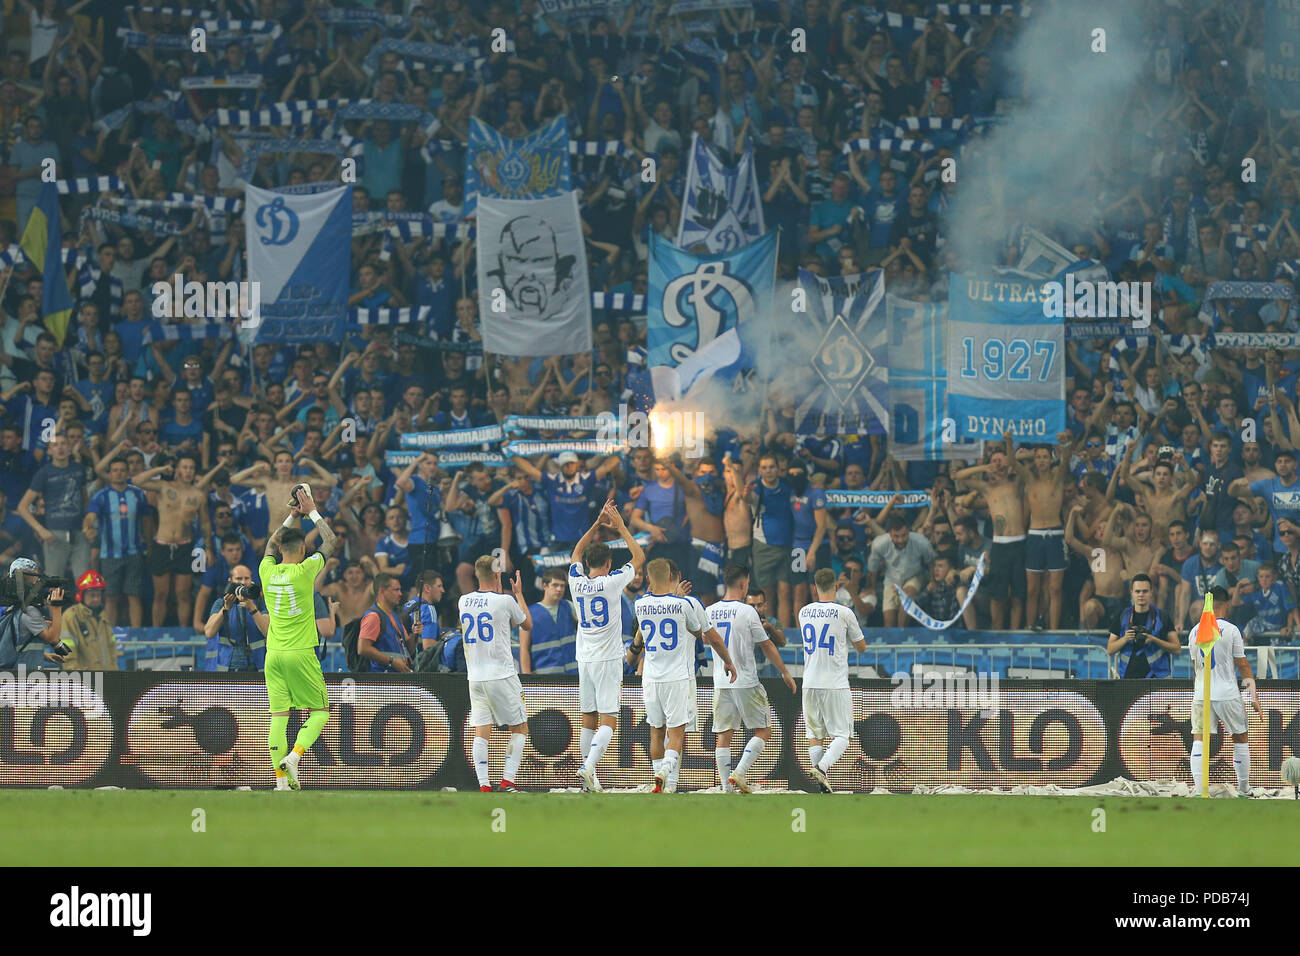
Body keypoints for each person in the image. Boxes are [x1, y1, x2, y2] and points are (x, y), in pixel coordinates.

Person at [629, 557, 735, 793]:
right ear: (672, 577)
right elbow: (700, 633)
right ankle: (667, 773)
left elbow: (645, 620)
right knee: (677, 733)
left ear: (648, 579)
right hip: (678, 676)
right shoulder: (686, 604)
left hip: (651, 677)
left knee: (656, 732)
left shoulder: (640, 604)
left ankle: (664, 784)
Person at [260, 485, 338, 791]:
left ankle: (280, 782)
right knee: (320, 712)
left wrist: (291, 517)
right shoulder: (306, 570)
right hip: (301, 652)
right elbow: (331, 540)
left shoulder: (266, 570)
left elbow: (269, 544)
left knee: (278, 717)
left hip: (273, 654)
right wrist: (312, 510)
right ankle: (295, 756)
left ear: (281, 550)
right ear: (302, 551)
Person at [570, 499, 645, 792]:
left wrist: (596, 524)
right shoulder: (613, 582)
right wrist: (621, 527)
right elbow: (638, 557)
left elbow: (576, 551)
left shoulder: (575, 580)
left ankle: (590, 780)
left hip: (583, 658)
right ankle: (588, 768)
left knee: (588, 717)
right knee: (609, 719)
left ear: (587, 563)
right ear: (609, 563)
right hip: (608, 658)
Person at [707, 563, 797, 793]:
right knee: (763, 730)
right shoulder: (747, 611)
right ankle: (739, 773)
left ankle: (726, 787)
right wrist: (785, 672)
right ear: (743, 583)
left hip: (721, 680)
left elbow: (706, 640)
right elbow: (766, 645)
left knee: (724, 735)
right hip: (745, 679)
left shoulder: (710, 610)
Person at [459, 555, 532, 793]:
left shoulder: (463, 601)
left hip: (475, 677)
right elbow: (527, 624)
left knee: (482, 730)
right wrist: (518, 593)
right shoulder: (505, 601)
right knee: (519, 727)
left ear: (476, 575)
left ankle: (484, 784)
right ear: (498, 574)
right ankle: (508, 780)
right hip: (501, 674)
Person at [1187, 587, 1262, 798]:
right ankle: (1244, 790)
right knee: (1239, 738)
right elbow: (1243, 665)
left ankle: (1200, 790)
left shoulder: (1194, 631)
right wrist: (1253, 695)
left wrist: (1198, 691)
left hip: (1202, 694)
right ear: (1226, 604)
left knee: (1199, 739)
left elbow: (1196, 668)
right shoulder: (1231, 630)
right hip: (1227, 694)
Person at [798, 567, 867, 794]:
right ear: (836, 587)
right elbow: (861, 647)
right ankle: (822, 767)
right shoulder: (845, 612)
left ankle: (820, 784)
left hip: (809, 682)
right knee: (843, 735)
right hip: (834, 683)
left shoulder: (804, 612)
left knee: (815, 735)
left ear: (815, 588)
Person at [135, 453, 213, 627]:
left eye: (191, 468)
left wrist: (208, 548)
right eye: (184, 467)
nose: (188, 471)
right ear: (177, 470)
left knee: (183, 594)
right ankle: (156, 631)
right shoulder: (164, 486)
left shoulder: (198, 495)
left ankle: (183, 631)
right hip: (162, 545)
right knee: (161, 594)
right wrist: (161, 469)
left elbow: (205, 523)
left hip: (185, 546)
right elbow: (136, 480)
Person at [83, 455, 148, 627]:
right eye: (115, 471)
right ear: (110, 474)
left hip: (134, 552)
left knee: (134, 596)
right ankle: (110, 635)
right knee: (111, 597)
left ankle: (136, 636)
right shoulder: (101, 496)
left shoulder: (138, 494)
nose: (118, 474)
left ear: (127, 472)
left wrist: (149, 544)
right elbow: (90, 517)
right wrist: (87, 528)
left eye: (122, 470)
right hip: (109, 554)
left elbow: (147, 521)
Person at [1105, 574, 1179, 678]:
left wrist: (1153, 639)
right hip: (1128, 678)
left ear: (1151, 593)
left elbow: (1177, 649)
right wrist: (1125, 639)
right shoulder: (1122, 616)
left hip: (1158, 679)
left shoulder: (1163, 617)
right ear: (1131, 593)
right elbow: (1110, 649)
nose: (1141, 595)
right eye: (1137, 591)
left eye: (1145, 591)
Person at [0, 558, 71, 668]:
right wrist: (56, 607)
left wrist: (42, 655)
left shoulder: (12, 608)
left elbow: (16, 643)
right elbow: (52, 638)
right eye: (34, 578)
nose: (37, 583)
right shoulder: (28, 610)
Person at [201, 564, 269, 672]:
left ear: (251, 580)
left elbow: (268, 632)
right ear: (230, 581)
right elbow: (209, 632)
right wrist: (225, 609)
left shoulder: (260, 602)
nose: (242, 582)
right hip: (228, 666)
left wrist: (252, 608)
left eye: (246, 578)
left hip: (257, 666)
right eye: (238, 578)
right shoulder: (221, 603)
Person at [519, 567, 578, 675]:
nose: (559, 589)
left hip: (573, 674)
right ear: (544, 586)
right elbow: (524, 649)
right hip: (546, 677)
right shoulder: (529, 614)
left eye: (562, 586)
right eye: (555, 585)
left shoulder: (569, 606)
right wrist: (527, 677)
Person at [57, 571, 118, 671]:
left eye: (99, 595)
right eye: (92, 595)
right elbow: (68, 657)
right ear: (81, 595)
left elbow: (112, 653)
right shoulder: (71, 617)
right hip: (84, 681)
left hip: (106, 680)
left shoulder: (103, 616)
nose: (96, 599)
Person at [357, 573, 416, 672]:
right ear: (382, 591)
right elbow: (363, 648)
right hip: (381, 680)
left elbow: (409, 648)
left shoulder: (395, 616)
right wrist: (391, 661)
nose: (400, 594)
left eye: (400, 590)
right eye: (396, 590)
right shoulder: (373, 616)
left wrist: (415, 634)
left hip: (397, 679)